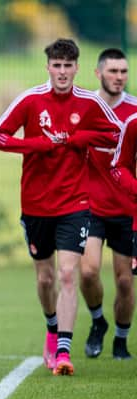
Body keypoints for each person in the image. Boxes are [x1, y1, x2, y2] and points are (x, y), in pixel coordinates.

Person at [0, 38, 121, 376]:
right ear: (48, 67)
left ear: (77, 68)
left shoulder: (89, 102)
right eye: (56, 65)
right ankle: (51, 328)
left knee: (67, 274)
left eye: (68, 66)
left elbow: (116, 134)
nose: (62, 72)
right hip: (35, 205)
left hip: (75, 202)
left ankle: (63, 350)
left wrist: (82, 138)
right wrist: (36, 145)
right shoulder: (30, 100)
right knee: (45, 278)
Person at [80, 48, 136, 360]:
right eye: (112, 71)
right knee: (87, 272)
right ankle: (98, 321)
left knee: (125, 281)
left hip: (127, 209)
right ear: (98, 73)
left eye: (123, 71)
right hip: (89, 205)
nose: (118, 77)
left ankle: (121, 339)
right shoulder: (86, 107)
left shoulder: (135, 111)